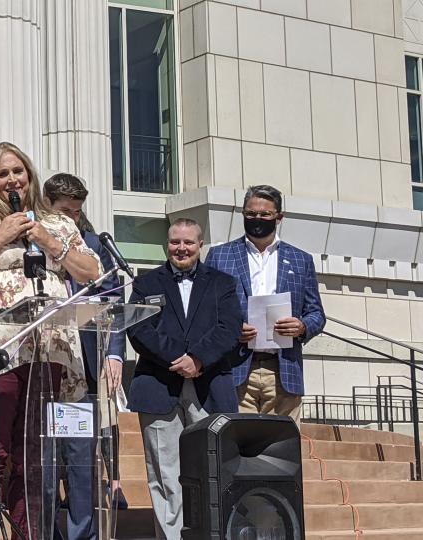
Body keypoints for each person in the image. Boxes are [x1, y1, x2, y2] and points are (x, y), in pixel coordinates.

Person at [0, 142, 102, 539]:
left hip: (50, 347)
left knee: (33, 456)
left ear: (30, 175)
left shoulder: (58, 223)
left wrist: (47, 240)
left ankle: (30, 534)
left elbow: (91, 272)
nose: (13, 179)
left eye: (19, 172)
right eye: (3, 173)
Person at [125, 218, 242, 540]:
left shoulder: (223, 283)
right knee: (165, 473)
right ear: (167, 244)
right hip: (159, 387)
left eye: (188, 242)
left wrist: (199, 360)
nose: (181, 248)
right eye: (175, 242)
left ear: (200, 245)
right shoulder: (145, 284)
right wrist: (179, 360)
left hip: (210, 388)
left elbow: (229, 328)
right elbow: (139, 329)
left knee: (213, 470)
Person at [43, 173, 128, 538]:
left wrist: (114, 354)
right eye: (65, 211)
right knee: (44, 463)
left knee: (80, 461)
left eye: (78, 212)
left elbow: (116, 304)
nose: (73, 220)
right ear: (46, 206)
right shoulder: (28, 241)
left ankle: (82, 533)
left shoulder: (94, 245)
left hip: (84, 369)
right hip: (42, 367)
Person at [205, 185, 326, 424]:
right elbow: (205, 310)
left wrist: (301, 326)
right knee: (236, 447)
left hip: (283, 371)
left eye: (264, 215)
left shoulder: (301, 260)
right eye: (250, 214)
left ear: (279, 218)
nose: (256, 219)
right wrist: (229, 330)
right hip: (235, 369)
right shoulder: (220, 256)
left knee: (282, 451)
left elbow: (316, 313)